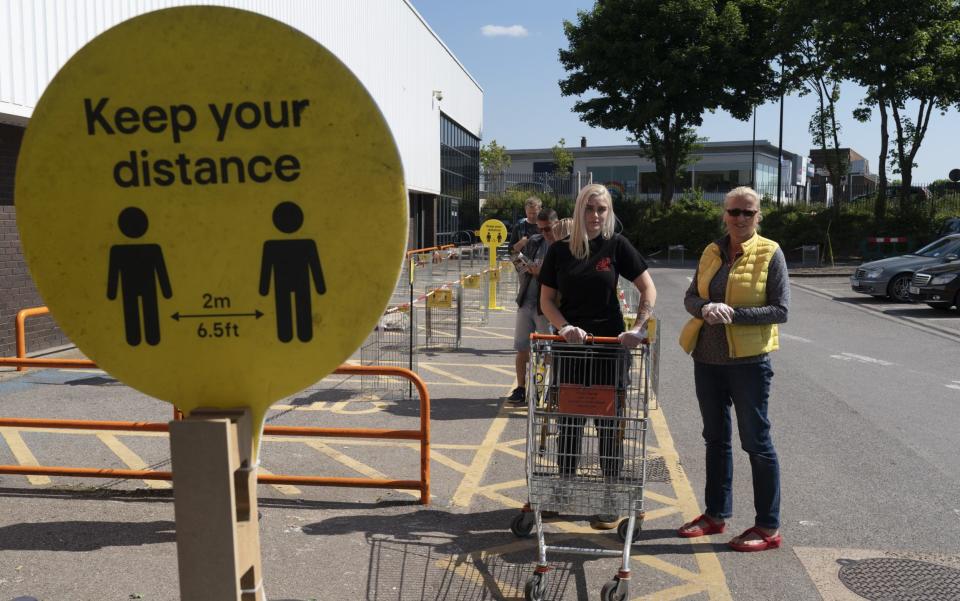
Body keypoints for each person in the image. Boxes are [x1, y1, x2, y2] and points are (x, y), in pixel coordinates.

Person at [677, 185, 789, 552]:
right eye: (733, 212)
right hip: (706, 359)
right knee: (715, 439)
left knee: (757, 443)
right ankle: (715, 514)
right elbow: (691, 296)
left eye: (748, 212)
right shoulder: (712, 251)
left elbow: (780, 310)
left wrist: (734, 315)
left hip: (748, 364)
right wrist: (704, 308)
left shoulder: (771, 252)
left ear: (759, 216)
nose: (740, 219)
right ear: (723, 214)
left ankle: (768, 526)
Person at [538, 183, 656, 530]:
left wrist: (638, 327)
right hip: (572, 347)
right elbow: (546, 300)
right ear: (578, 209)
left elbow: (648, 287)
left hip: (609, 347)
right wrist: (563, 328)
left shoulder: (617, 245)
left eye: (601, 209)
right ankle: (563, 488)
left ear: (609, 212)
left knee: (609, 424)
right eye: (589, 208)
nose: (595, 215)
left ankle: (609, 494)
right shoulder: (560, 251)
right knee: (569, 421)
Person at [507, 208, 560, 404]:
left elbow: (563, 277)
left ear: (557, 224)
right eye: (540, 228)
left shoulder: (562, 246)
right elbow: (514, 260)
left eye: (548, 229)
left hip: (547, 307)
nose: (544, 233)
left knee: (549, 351)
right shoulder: (535, 242)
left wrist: (542, 274)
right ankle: (521, 388)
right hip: (526, 302)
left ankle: (552, 389)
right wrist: (516, 251)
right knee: (522, 349)